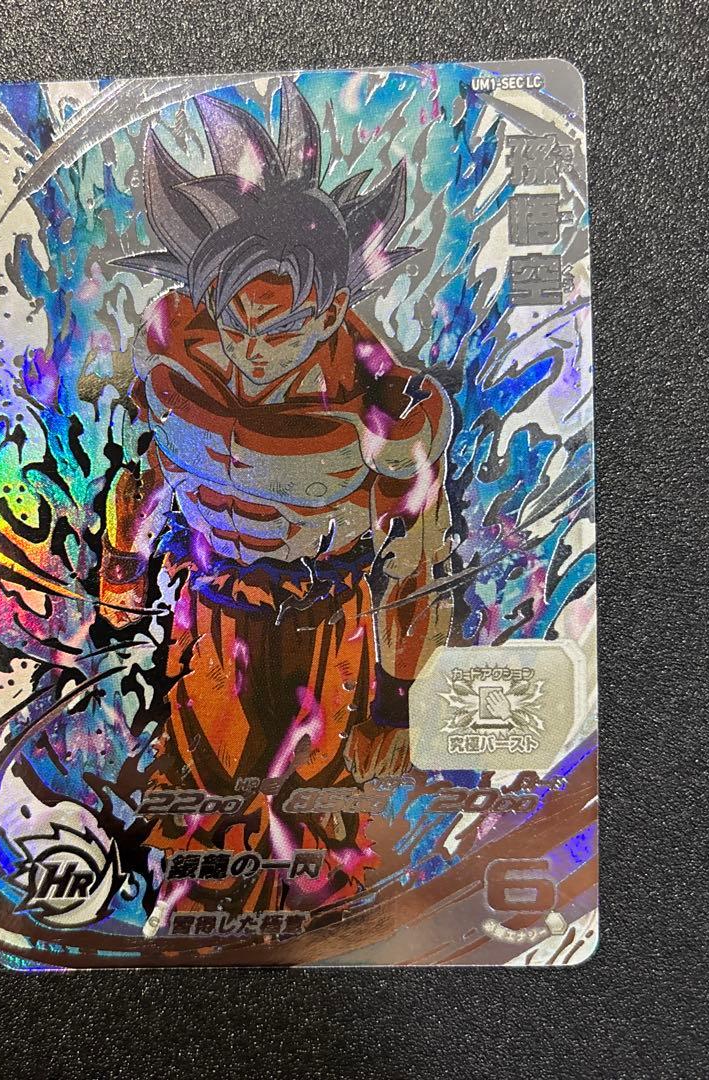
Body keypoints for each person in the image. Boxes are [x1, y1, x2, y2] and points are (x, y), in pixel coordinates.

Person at [102, 79, 454, 915]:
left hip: (328, 617)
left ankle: (317, 920)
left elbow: (414, 553)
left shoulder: (382, 408)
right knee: (201, 790)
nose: (255, 351)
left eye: (282, 327)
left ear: (330, 311)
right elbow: (153, 473)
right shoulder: (180, 362)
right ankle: (195, 908)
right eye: (239, 324)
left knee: (318, 806)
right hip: (216, 606)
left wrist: (398, 695)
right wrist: (123, 566)